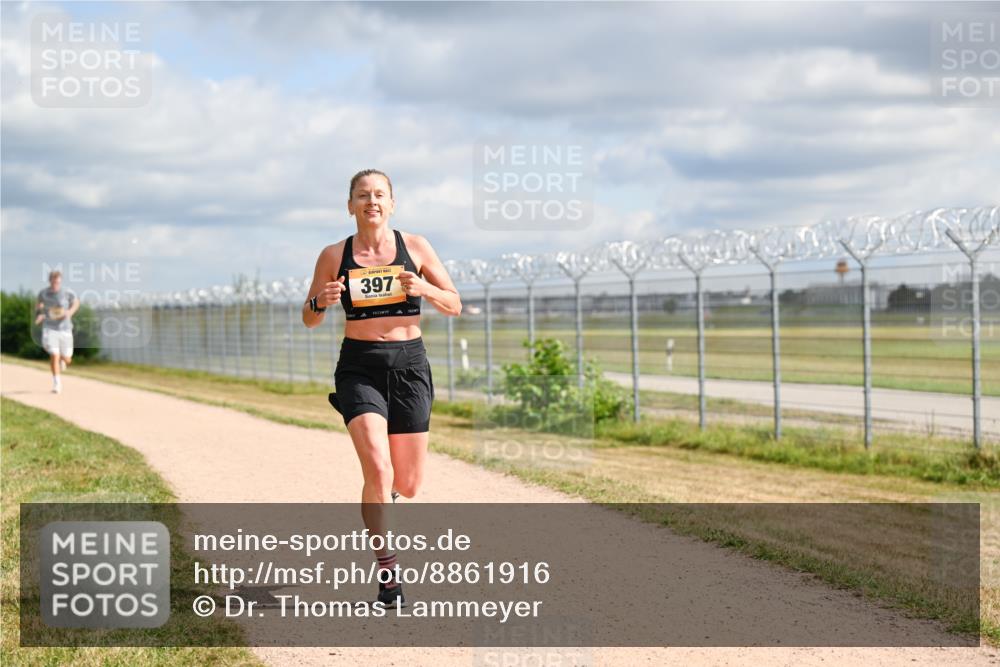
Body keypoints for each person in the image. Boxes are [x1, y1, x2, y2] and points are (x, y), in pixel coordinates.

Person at [302, 169, 462, 608]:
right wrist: (320, 301)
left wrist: (424, 287)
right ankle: (389, 577)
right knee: (377, 467)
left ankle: (385, 495)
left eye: (378, 195)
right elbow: (309, 317)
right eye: (362, 195)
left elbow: (454, 304)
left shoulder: (417, 247)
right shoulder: (334, 254)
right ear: (350, 205)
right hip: (360, 367)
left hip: (409, 366)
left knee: (406, 484)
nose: (371, 201)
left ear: (391, 203)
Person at [35, 270, 79, 394]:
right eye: (54, 281)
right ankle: (57, 384)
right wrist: (39, 314)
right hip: (50, 327)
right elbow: (39, 305)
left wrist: (70, 312)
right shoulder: (43, 293)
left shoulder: (67, 292)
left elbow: (76, 302)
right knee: (54, 354)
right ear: (50, 281)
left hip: (65, 329)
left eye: (58, 282)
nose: (56, 284)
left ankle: (63, 361)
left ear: (60, 281)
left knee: (68, 359)